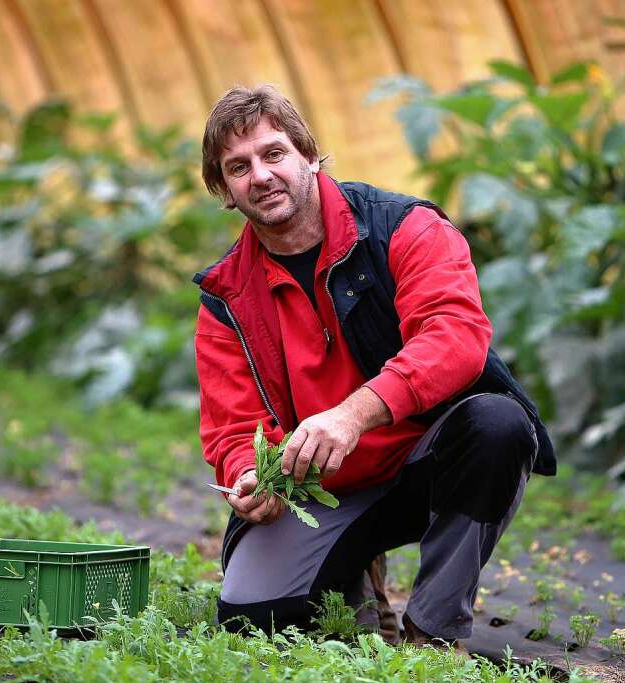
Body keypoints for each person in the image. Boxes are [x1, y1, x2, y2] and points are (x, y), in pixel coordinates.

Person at [193, 84, 555, 649]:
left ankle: (430, 631)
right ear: (225, 190)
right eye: (238, 167)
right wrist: (247, 472)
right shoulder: (226, 296)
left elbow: (456, 336)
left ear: (309, 156)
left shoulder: (405, 228)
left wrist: (354, 414)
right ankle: (357, 581)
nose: (260, 176)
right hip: (318, 487)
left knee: (499, 426)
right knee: (254, 622)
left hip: (423, 457)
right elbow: (233, 423)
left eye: (273, 154)